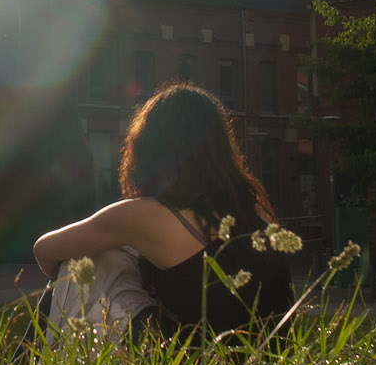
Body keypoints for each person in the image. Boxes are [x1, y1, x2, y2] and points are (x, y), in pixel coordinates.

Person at [32, 83, 294, 342]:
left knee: (92, 259)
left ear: (148, 148)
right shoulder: (253, 208)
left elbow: (45, 250)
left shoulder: (143, 216)